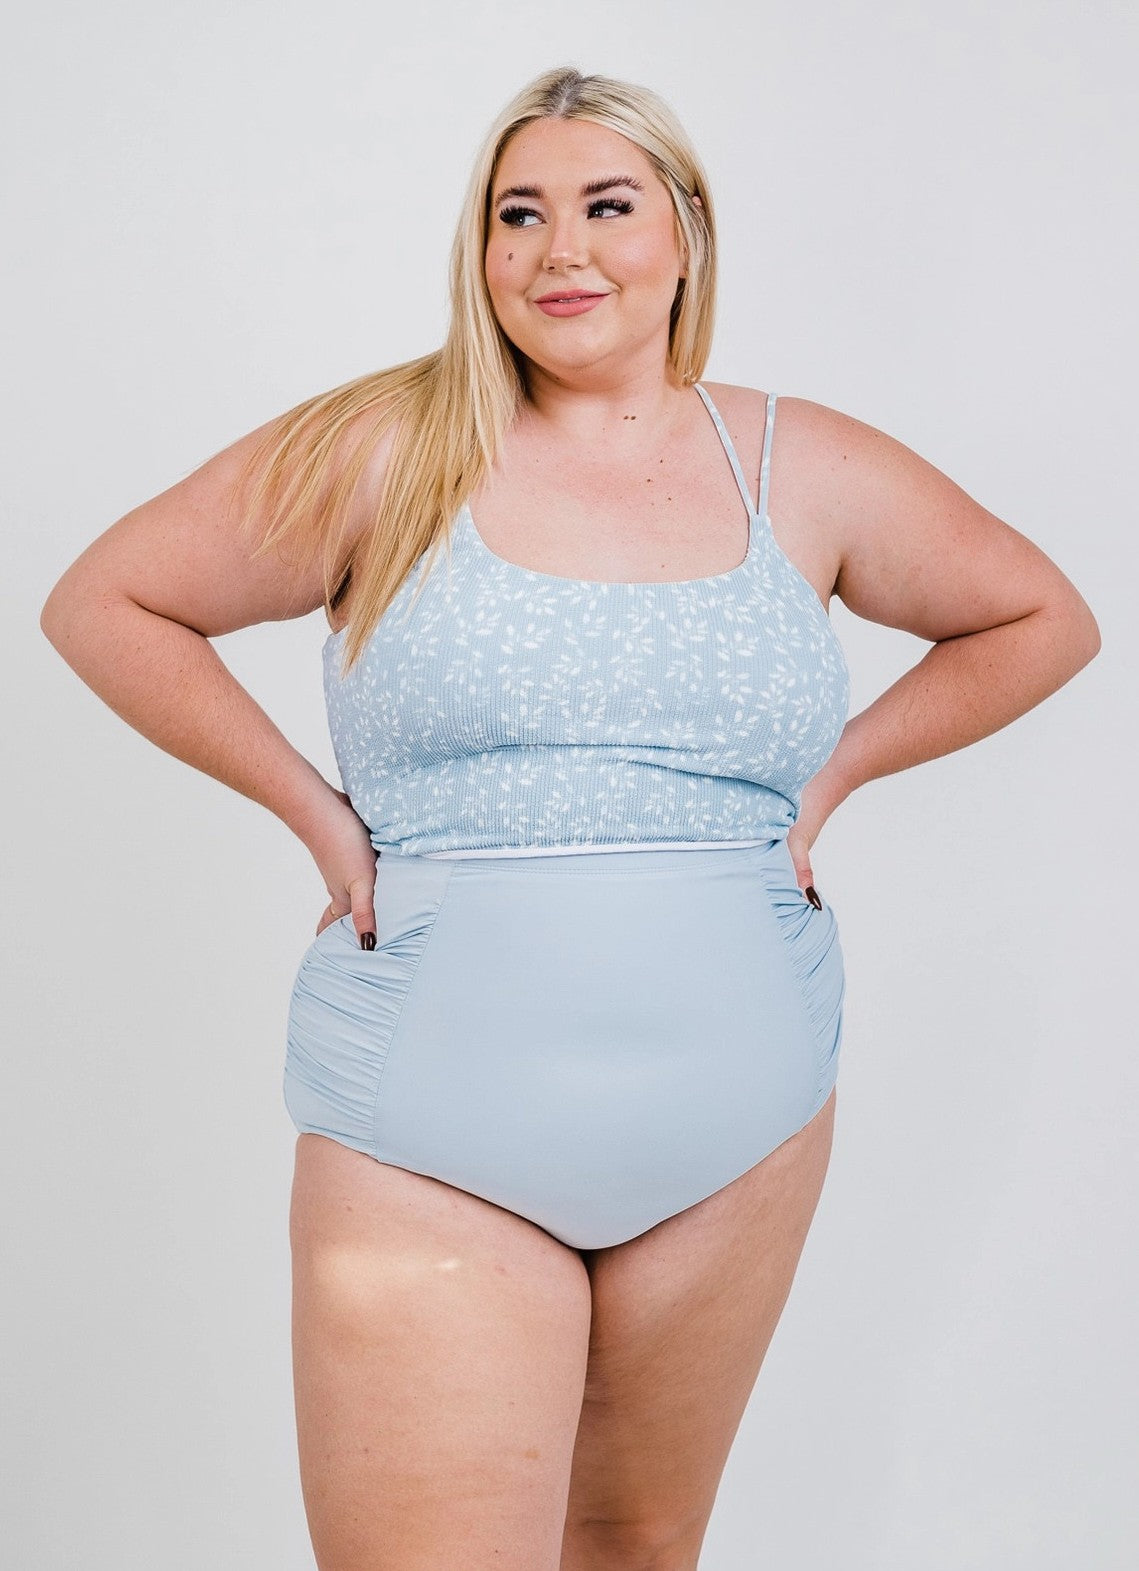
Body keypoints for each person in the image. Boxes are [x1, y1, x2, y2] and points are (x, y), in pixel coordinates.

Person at [40, 62, 1099, 1571]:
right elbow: (109, 601)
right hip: (431, 1116)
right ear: (480, 249)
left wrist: (836, 773)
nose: (561, 252)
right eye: (517, 215)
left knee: (635, 1552)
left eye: (606, 206)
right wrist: (323, 823)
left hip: (740, 1115)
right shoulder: (387, 449)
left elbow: (1041, 620)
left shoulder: (799, 463)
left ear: (685, 233)